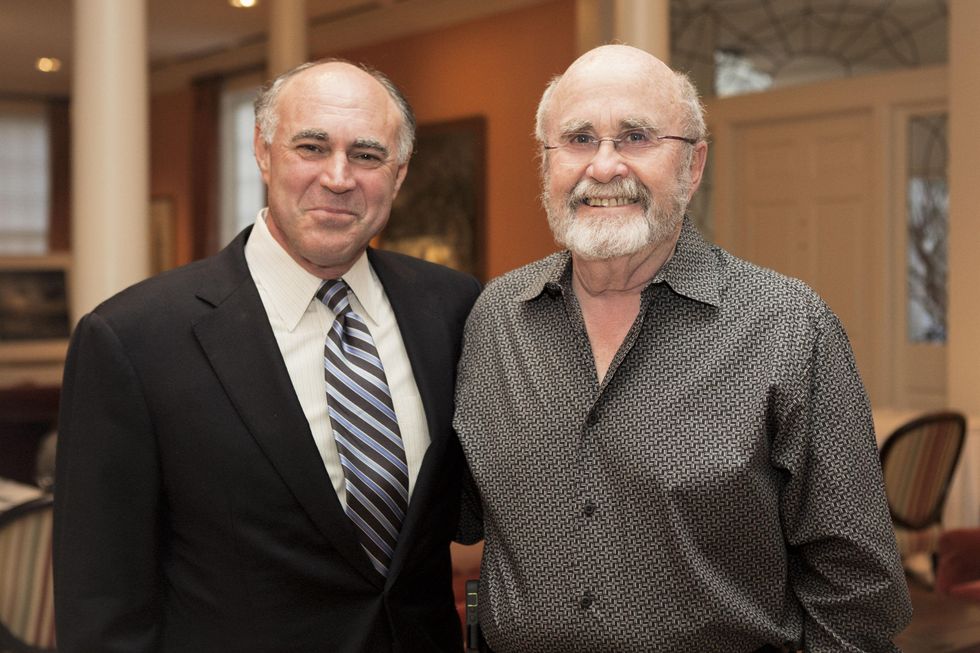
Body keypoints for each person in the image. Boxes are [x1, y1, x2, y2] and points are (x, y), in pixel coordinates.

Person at [454, 44, 912, 652]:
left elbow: (856, 591)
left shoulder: (787, 327)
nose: (604, 167)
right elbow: (460, 520)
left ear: (693, 165)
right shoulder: (495, 320)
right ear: (546, 163)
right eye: (579, 139)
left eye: (636, 137)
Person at [54, 59, 481, 653]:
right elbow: (101, 601)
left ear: (400, 172)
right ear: (262, 151)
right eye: (311, 147)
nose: (338, 177)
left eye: (366, 155)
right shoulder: (132, 338)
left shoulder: (455, 308)